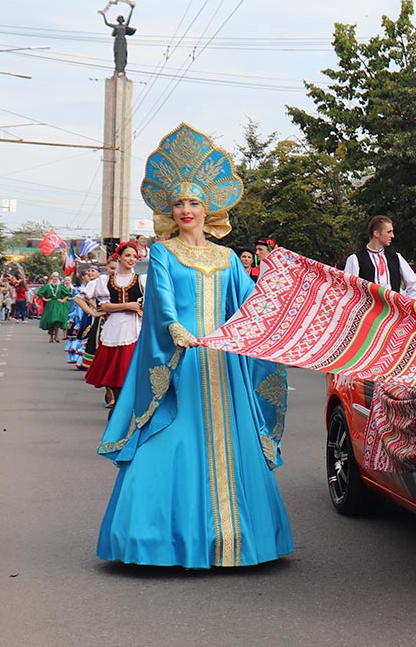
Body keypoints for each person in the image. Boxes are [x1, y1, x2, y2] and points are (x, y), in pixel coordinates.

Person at [97, 124, 291, 568]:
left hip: (223, 365)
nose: (186, 209)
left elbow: (251, 305)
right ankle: (156, 540)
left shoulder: (227, 259)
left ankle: (237, 537)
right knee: (168, 442)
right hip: (181, 360)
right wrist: (175, 329)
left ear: (209, 209)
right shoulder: (163, 252)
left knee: (235, 444)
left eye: (194, 202)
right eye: (179, 203)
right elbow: (161, 299)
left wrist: (286, 303)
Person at [83, 242, 146, 409]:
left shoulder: (142, 280)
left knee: (130, 371)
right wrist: (128, 306)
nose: (131, 259)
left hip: (134, 328)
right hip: (114, 328)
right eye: (127, 255)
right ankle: (117, 405)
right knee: (113, 373)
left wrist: (138, 309)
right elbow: (101, 305)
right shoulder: (106, 280)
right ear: (119, 257)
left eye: (134, 256)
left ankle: (124, 408)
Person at [343, 216, 416, 297]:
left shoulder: (396, 258)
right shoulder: (355, 259)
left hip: (392, 308)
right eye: (389, 232)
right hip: (369, 308)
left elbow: (415, 284)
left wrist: (405, 306)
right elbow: (350, 290)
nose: (392, 236)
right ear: (376, 233)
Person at [36, 273, 72, 343]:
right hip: (50, 304)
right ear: (51, 277)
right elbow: (40, 293)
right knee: (50, 321)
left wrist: (63, 300)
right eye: (54, 276)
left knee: (56, 320)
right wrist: (45, 299)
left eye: (56, 277)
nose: (55, 278)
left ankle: (56, 336)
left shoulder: (60, 286)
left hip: (58, 305)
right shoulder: (48, 286)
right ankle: (51, 337)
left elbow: (68, 294)